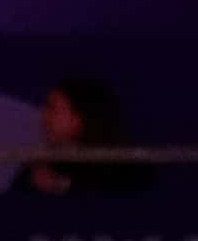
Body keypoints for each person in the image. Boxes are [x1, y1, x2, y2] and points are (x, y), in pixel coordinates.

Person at [9, 78, 148, 193]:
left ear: (78, 119)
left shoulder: (122, 167)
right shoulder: (37, 168)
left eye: (52, 108)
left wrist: (61, 188)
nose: (44, 117)